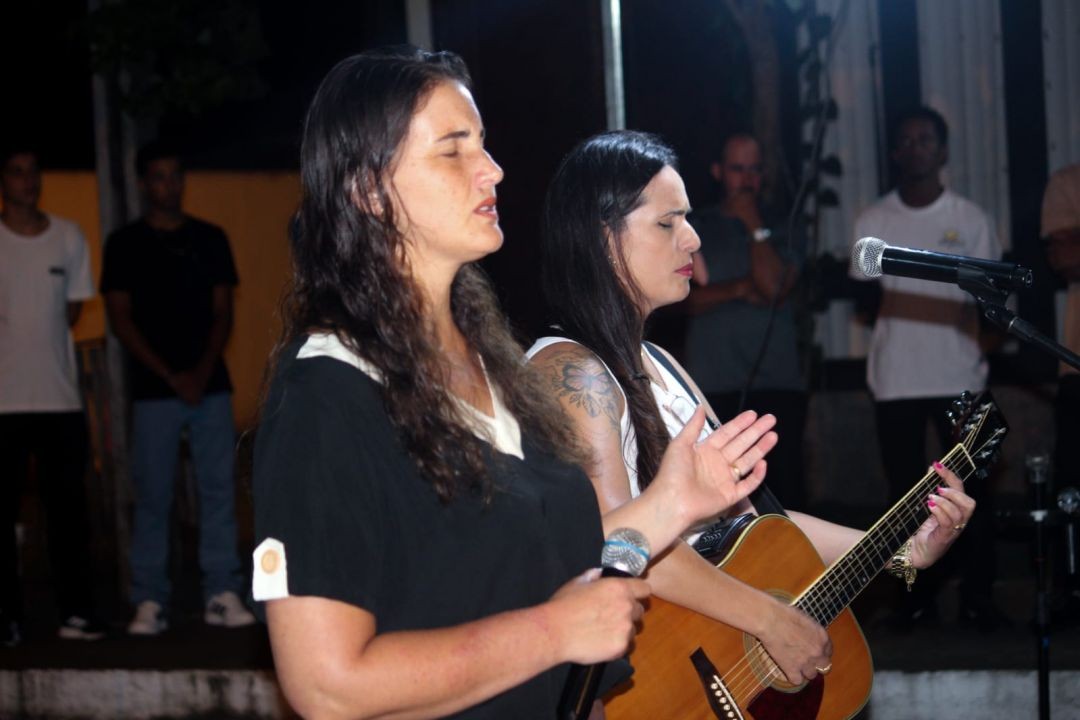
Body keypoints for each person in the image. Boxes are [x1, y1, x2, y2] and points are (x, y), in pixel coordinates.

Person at [251, 48, 775, 719]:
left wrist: (672, 504)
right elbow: (325, 685)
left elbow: (554, 556)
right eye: (452, 150)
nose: (491, 170)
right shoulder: (328, 392)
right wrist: (553, 633)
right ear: (367, 191)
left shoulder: (495, 370)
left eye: (485, 145)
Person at [527, 130, 975, 688]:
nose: (692, 240)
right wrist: (769, 619)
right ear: (601, 239)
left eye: (688, 219)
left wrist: (901, 551)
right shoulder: (572, 371)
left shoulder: (662, 364)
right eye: (667, 223)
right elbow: (619, 545)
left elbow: (757, 528)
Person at [850, 106, 1003, 630]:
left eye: (925, 139)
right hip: (896, 378)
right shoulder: (874, 221)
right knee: (902, 496)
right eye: (905, 140)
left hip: (959, 376)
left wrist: (976, 351)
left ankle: (978, 599)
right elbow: (864, 301)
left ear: (941, 151)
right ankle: (914, 602)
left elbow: (994, 307)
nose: (915, 148)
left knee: (969, 494)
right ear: (895, 153)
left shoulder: (970, 218)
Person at [101, 141, 254, 635]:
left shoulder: (210, 238)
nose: (169, 185)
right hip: (154, 391)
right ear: (144, 183)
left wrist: (199, 372)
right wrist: (171, 377)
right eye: (159, 177)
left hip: (209, 387)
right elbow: (120, 319)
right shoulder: (123, 244)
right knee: (153, 495)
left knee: (216, 491)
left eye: (175, 175)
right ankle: (150, 599)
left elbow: (223, 313)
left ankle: (222, 592)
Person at [0, 145, 105, 643]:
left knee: (68, 513)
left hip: (60, 400)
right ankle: (7, 620)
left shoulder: (67, 236)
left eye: (34, 172)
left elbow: (71, 311)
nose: (28, 181)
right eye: (18, 173)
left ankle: (77, 615)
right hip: (3, 403)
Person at [685, 133, 807, 510]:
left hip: (777, 383)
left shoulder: (784, 224)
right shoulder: (692, 225)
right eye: (738, 169)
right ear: (718, 172)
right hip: (712, 386)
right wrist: (740, 289)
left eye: (755, 169)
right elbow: (682, 300)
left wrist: (754, 225)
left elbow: (774, 287)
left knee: (784, 496)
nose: (747, 179)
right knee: (721, 504)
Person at [1041, 161, 1080, 615]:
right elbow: (1064, 258)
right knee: (1072, 486)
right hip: (1076, 365)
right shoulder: (1068, 181)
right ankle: (1070, 592)